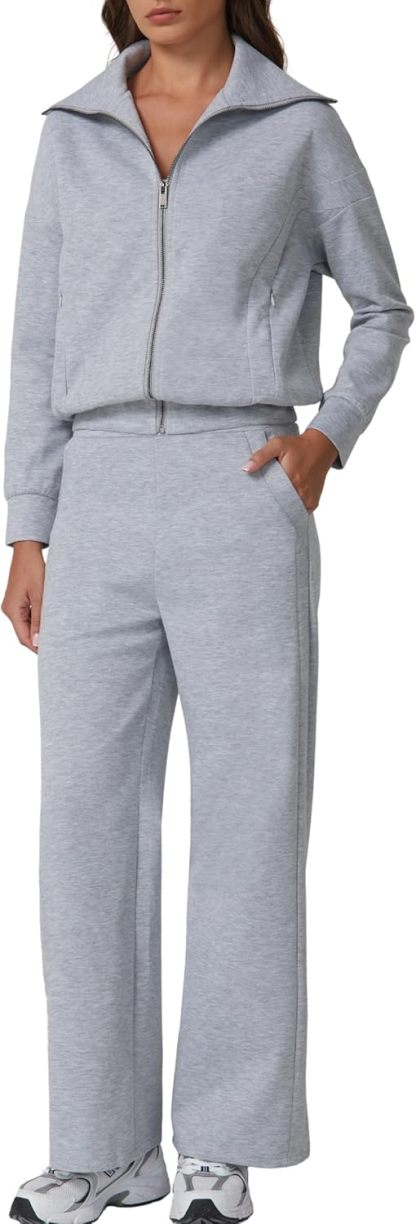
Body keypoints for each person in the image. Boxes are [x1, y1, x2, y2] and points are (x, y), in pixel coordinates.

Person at [2, 2, 413, 1222]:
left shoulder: (297, 128)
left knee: (246, 826)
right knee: (84, 831)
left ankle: (221, 1149)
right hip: (95, 497)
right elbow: (34, 344)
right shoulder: (72, 132)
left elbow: (380, 307)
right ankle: (102, 1147)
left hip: (239, 485)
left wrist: (324, 442)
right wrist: (29, 525)